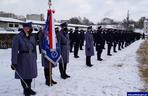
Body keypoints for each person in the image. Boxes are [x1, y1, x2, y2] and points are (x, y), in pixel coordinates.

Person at [11, 22, 37, 96]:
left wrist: (35, 57)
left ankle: (29, 88)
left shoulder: (32, 36)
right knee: (24, 75)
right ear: (23, 28)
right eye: (27, 27)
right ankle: (25, 90)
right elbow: (14, 50)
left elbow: (34, 48)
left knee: (30, 75)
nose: (28, 29)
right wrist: (14, 62)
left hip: (31, 58)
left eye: (29, 28)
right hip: (23, 58)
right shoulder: (18, 37)